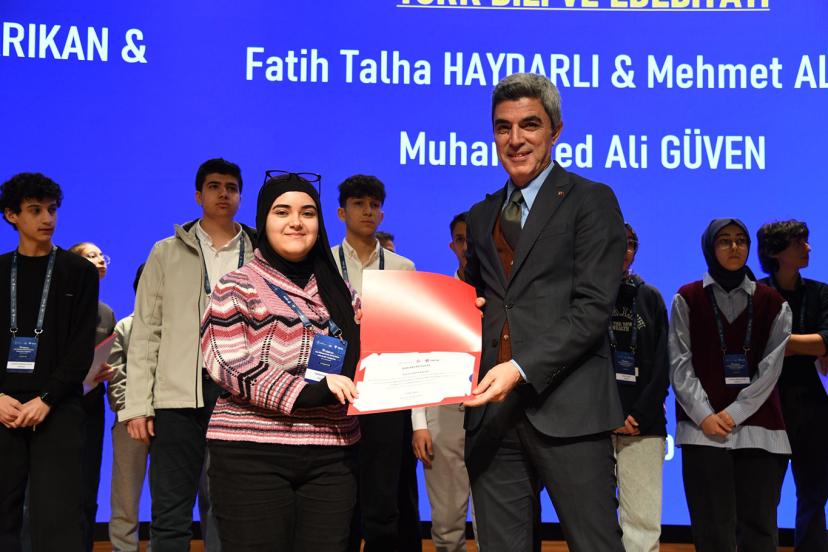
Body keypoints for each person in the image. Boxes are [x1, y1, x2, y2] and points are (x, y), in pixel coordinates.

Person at [462, 72, 627, 551]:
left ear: (555, 130)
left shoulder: (591, 200)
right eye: (503, 127)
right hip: (492, 417)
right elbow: (474, 301)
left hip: (570, 410)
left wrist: (519, 368)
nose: (515, 139)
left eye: (529, 125)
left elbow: (593, 310)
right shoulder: (481, 215)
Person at [201, 173, 361, 551]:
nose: (296, 222)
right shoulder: (235, 285)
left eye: (308, 213)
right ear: (263, 220)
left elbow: (371, 357)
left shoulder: (343, 291)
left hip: (332, 453)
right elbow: (226, 361)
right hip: (250, 454)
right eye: (282, 212)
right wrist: (307, 393)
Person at [119, 158, 255, 551]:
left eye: (231, 187)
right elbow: (146, 333)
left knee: (237, 508)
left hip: (240, 394)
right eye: (214, 186)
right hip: (178, 396)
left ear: (240, 196)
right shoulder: (165, 252)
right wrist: (138, 405)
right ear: (198, 195)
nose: (223, 194)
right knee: (170, 510)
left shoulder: (259, 250)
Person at [670, 218, 791, 552]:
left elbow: (770, 369)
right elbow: (679, 363)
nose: (734, 247)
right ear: (710, 247)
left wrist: (734, 413)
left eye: (741, 240)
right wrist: (705, 415)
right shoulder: (687, 297)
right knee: (712, 531)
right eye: (724, 240)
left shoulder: (773, 302)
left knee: (760, 530)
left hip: (760, 432)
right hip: (703, 432)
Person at [0, 172, 99, 551]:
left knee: (58, 515)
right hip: (4, 407)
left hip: (57, 408)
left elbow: (81, 346)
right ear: (12, 215)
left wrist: (47, 399)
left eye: (52, 209)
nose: (47, 219)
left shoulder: (79, 271)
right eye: (35, 210)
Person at [331, 174, 420, 552]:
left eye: (374, 205)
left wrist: (419, 421)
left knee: (384, 506)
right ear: (342, 212)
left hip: (386, 396)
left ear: (382, 213)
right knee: (338, 503)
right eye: (358, 204)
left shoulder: (402, 267)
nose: (367, 211)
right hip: (334, 393)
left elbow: (412, 343)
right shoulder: (324, 264)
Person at [757, 220, 828, 552]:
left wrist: (778, 343)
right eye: (800, 242)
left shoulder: (820, 293)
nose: (808, 248)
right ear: (775, 251)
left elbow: (825, 342)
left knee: (814, 492)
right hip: (765, 403)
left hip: (812, 404)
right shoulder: (757, 294)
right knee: (762, 494)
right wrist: (808, 346)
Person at [411, 212, 475, 552]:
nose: (467, 247)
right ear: (452, 246)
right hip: (445, 410)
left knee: (497, 522)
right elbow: (420, 359)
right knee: (447, 523)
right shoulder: (436, 297)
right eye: (461, 240)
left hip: (494, 411)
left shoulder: (504, 294)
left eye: (472, 239)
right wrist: (419, 423)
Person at [609, 223, 670, 552]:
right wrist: (608, 414)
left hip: (644, 426)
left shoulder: (650, 297)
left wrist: (639, 415)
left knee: (643, 525)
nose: (624, 249)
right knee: (595, 522)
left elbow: (663, 365)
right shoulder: (583, 295)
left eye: (630, 243)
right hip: (594, 425)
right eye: (617, 242)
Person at [69, 241, 117, 552]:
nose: (100, 260)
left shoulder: (105, 312)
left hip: (91, 404)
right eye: (91, 256)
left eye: (101, 255)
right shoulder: (60, 306)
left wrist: (106, 370)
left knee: (88, 488)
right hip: (57, 404)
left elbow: (105, 354)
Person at [107, 264, 150, 552]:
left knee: (169, 496)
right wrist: (128, 410)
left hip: (171, 418)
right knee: (125, 496)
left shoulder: (180, 329)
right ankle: (123, 549)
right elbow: (115, 374)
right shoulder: (125, 326)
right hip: (129, 422)